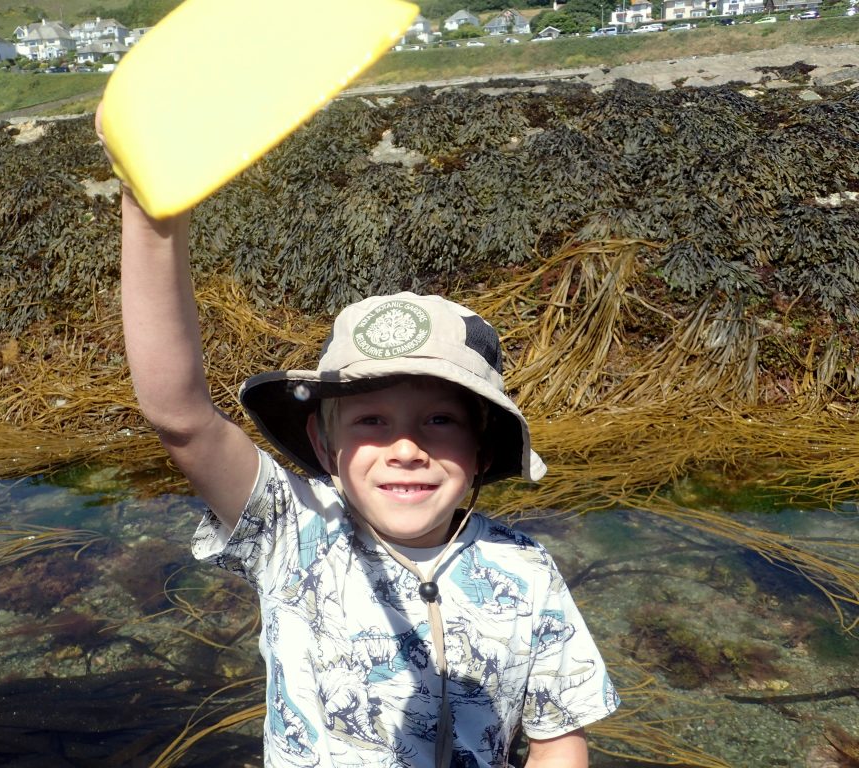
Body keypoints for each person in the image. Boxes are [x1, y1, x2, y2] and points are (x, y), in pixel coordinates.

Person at [99, 106, 619, 767]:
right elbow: (179, 415)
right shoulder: (290, 530)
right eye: (372, 421)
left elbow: (557, 738)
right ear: (323, 444)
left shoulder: (526, 571)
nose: (407, 448)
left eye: (439, 421)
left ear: (483, 449)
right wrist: (150, 214)